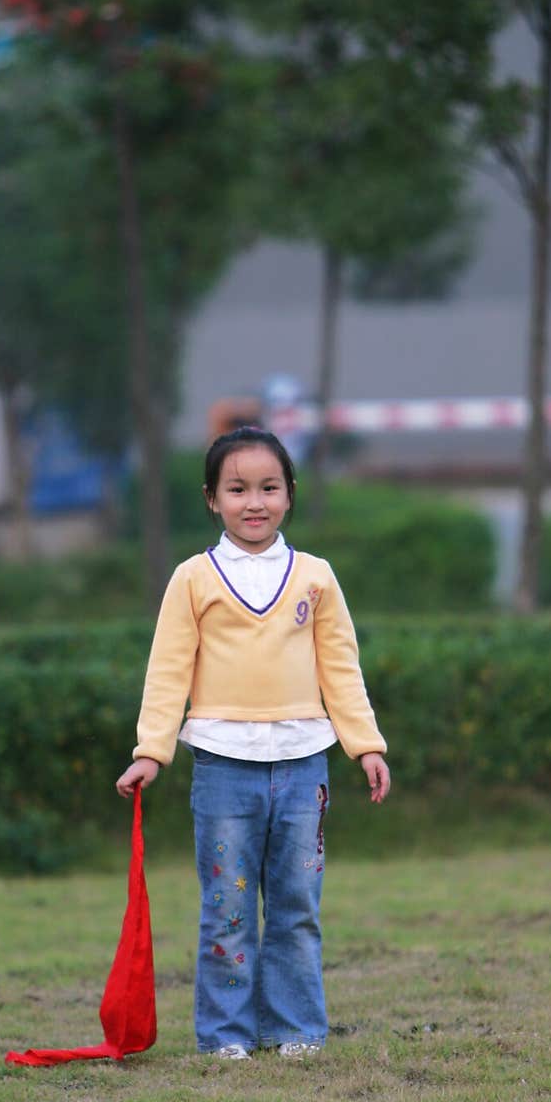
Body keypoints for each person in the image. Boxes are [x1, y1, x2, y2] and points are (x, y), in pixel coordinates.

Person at [115, 425, 390, 1061]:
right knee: (227, 910)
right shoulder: (192, 579)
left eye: (268, 487)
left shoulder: (315, 577)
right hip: (222, 770)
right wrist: (149, 752)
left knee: (295, 909)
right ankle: (226, 1038)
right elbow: (168, 670)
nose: (254, 502)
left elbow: (341, 668)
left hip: (303, 767)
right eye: (237, 489)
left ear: (290, 494)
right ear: (212, 498)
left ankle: (296, 1032)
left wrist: (364, 745)